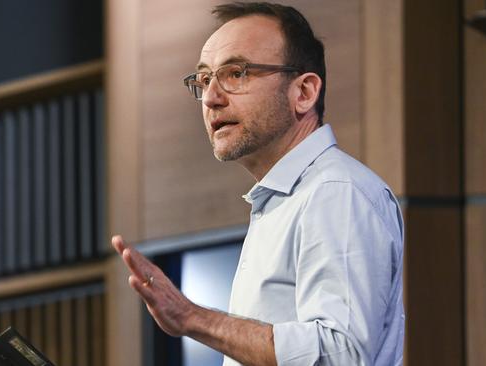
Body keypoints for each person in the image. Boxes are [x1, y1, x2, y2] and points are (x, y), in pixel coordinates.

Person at [111, 2, 405, 365]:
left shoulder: (335, 191)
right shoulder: (284, 201)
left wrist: (192, 318)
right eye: (204, 80)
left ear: (304, 93)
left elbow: (339, 353)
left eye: (236, 74)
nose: (212, 99)